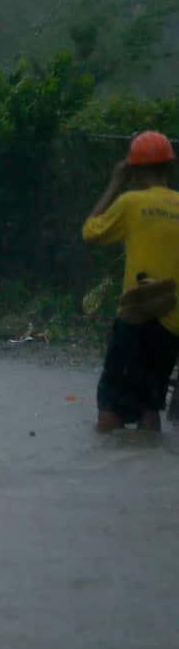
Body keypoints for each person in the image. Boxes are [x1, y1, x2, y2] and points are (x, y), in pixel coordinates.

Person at [82, 130, 179, 432]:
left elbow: (91, 232)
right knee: (150, 407)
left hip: (135, 318)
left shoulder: (131, 202)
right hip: (172, 323)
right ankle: (147, 468)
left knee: (110, 409)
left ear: (134, 170)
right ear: (169, 167)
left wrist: (115, 182)